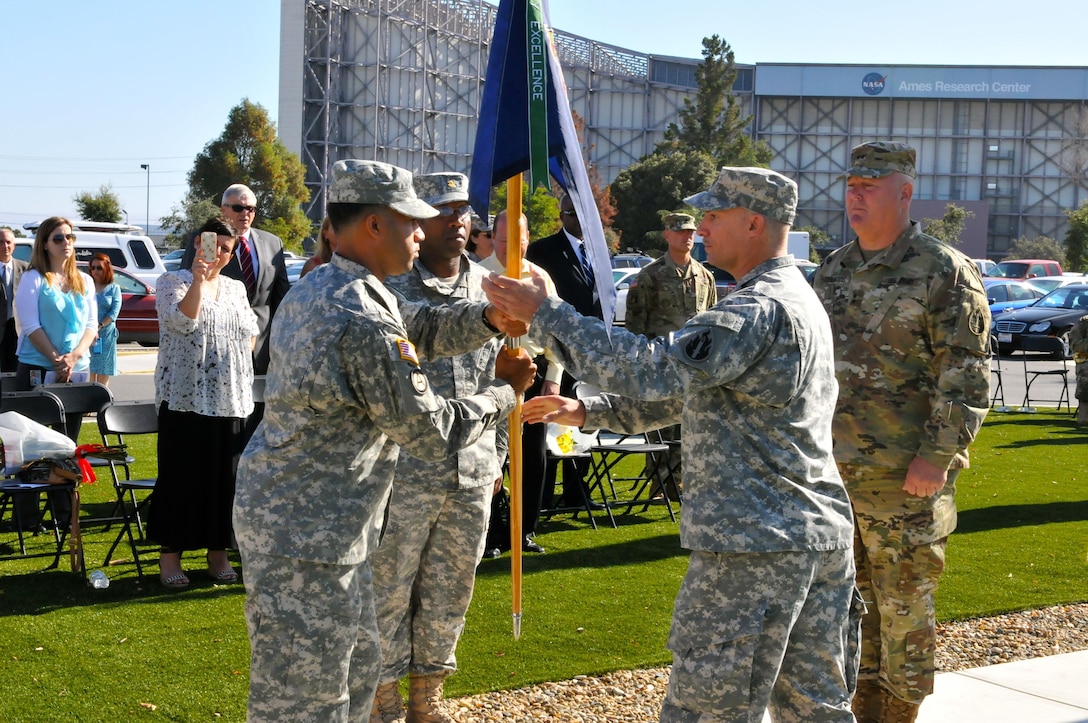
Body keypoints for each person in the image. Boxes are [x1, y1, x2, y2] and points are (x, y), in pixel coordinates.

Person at [486, 167, 859, 723]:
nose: (702, 226)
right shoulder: (792, 296)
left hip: (754, 549)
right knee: (815, 711)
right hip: (811, 535)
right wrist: (591, 410)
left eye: (714, 215)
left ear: (754, 222)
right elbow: (699, 389)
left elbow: (655, 369)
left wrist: (547, 315)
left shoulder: (757, 309)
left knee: (707, 712)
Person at [232, 159, 535, 722]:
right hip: (310, 533)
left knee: (347, 676)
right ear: (374, 225)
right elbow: (430, 430)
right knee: (305, 699)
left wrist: (492, 319)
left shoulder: (333, 285)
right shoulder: (358, 313)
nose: (423, 232)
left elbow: (420, 326)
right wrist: (502, 394)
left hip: (312, 522)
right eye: (411, 221)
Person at [813, 141, 991, 723]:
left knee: (905, 611)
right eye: (850, 185)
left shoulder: (943, 270)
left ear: (905, 192)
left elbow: (963, 378)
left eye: (870, 185)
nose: (855, 195)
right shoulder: (833, 270)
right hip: (835, 477)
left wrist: (935, 459)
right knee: (849, 608)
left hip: (904, 481)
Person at [370, 172, 505, 722]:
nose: (457, 221)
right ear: (419, 222)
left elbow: (504, 376)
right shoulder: (393, 289)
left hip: (472, 468)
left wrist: (497, 456)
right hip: (406, 469)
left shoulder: (492, 288)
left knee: (452, 589)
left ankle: (428, 699)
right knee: (389, 588)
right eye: (443, 210)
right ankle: (383, 699)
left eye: (464, 210)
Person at [149, 216, 259, 589]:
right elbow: (182, 322)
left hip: (230, 399)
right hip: (185, 397)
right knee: (182, 478)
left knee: (225, 481)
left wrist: (237, 366)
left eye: (227, 249)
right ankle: (170, 556)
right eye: (214, 246)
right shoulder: (172, 282)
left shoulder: (235, 288)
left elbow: (250, 332)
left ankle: (218, 552)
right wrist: (197, 279)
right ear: (198, 243)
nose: (219, 255)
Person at [479, 210, 567, 555]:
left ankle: (523, 530)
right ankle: (489, 532)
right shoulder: (478, 273)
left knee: (531, 457)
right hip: (490, 377)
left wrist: (554, 380)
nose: (511, 248)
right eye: (503, 241)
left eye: (518, 241)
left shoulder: (541, 279)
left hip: (532, 373)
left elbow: (557, 332)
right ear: (492, 238)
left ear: (529, 239)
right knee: (491, 457)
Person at [12, 216, 97, 528]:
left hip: (75, 370)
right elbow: (30, 325)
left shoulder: (84, 281)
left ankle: (64, 516)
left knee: (66, 446)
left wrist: (73, 358)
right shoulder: (33, 279)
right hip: (37, 368)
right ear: (45, 244)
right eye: (59, 238)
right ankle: (28, 518)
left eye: (70, 237)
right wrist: (55, 359)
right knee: (31, 446)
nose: (67, 244)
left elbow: (91, 325)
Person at [625, 212, 717, 498]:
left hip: (695, 366)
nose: (687, 237)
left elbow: (711, 320)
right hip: (661, 363)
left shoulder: (704, 276)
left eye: (690, 232)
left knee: (692, 426)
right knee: (660, 425)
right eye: (680, 232)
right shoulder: (650, 275)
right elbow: (636, 324)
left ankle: (685, 483)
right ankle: (660, 483)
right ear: (667, 235)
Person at [524, 195, 601, 512]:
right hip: (557, 349)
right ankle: (542, 495)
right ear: (562, 216)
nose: (580, 220)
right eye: (573, 213)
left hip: (591, 351)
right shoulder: (543, 251)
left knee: (582, 419)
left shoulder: (597, 250)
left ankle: (575, 490)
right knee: (552, 419)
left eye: (584, 214)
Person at [179, 183, 291, 376]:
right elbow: (186, 286)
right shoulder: (203, 240)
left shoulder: (273, 243)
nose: (245, 213)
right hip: (218, 345)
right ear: (224, 209)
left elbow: (281, 297)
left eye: (251, 209)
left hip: (263, 346)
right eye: (238, 208)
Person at [88, 253, 122, 386]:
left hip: (106, 335)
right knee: (89, 370)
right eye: (93, 268)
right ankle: (87, 403)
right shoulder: (87, 286)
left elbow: (114, 312)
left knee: (103, 371)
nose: (95, 271)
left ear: (107, 269)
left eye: (99, 268)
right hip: (88, 334)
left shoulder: (114, 289)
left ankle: (101, 402)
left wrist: (99, 325)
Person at [0, 227, 29, 372]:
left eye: (8, 242)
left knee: (16, 373)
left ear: (14, 245)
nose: (5, 246)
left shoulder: (26, 269)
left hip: (19, 331)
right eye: (1, 242)